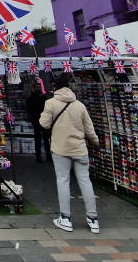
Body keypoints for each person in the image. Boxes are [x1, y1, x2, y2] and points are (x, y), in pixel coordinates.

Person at [39, 73, 100, 234]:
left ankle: (65, 218)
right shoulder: (79, 105)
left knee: (63, 181)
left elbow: (44, 124)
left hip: (60, 148)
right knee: (85, 182)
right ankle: (93, 219)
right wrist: (96, 142)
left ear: (55, 88)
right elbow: (89, 129)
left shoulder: (51, 103)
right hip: (80, 148)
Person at [26, 87, 52, 163]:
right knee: (45, 139)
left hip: (36, 120)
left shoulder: (31, 98)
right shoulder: (44, 98)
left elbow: (28, 109)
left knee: (39, 139)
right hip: (42, 120)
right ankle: (47, 156)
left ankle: (39, 156)